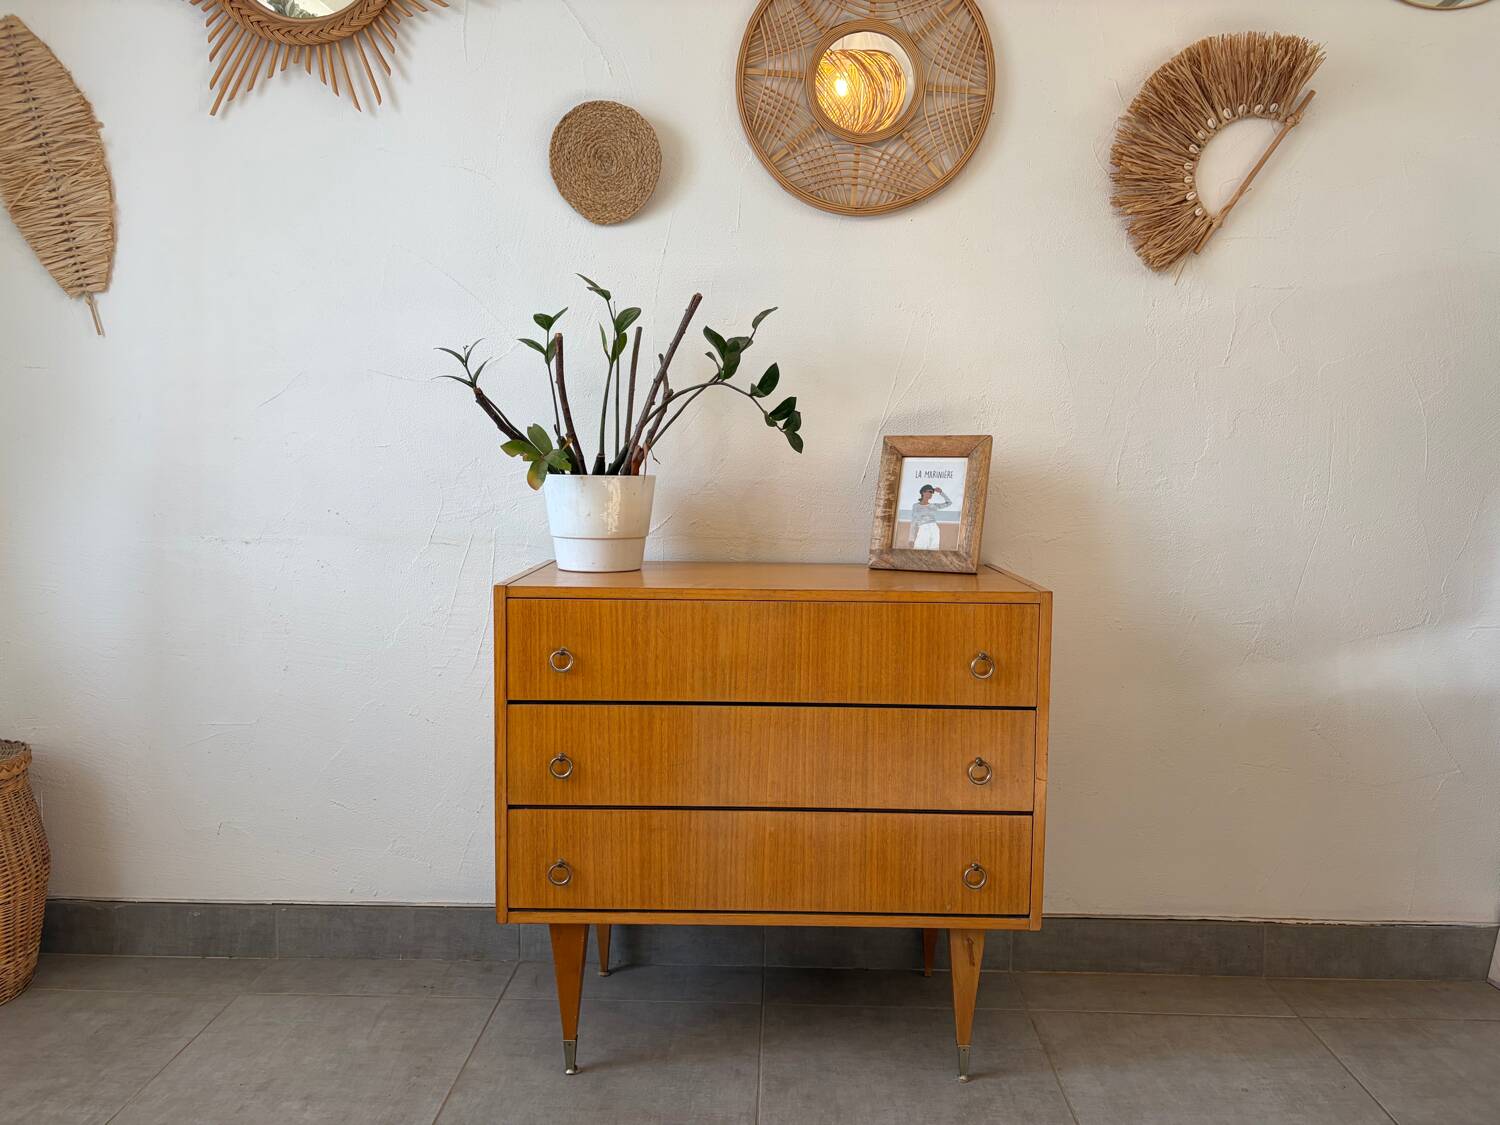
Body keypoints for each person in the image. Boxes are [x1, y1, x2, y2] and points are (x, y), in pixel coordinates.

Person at [908, 484, 951, 549]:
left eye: (932, 492)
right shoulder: (916, 506)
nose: (931, 494)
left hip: (934, 529)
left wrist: (941, 492)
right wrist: (911, 539)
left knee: (933, 551)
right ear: (923, 492)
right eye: (929, 492)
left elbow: (949, 503)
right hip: (923, 529)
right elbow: (913, 522)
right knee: (918, 550)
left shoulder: (933, 506)